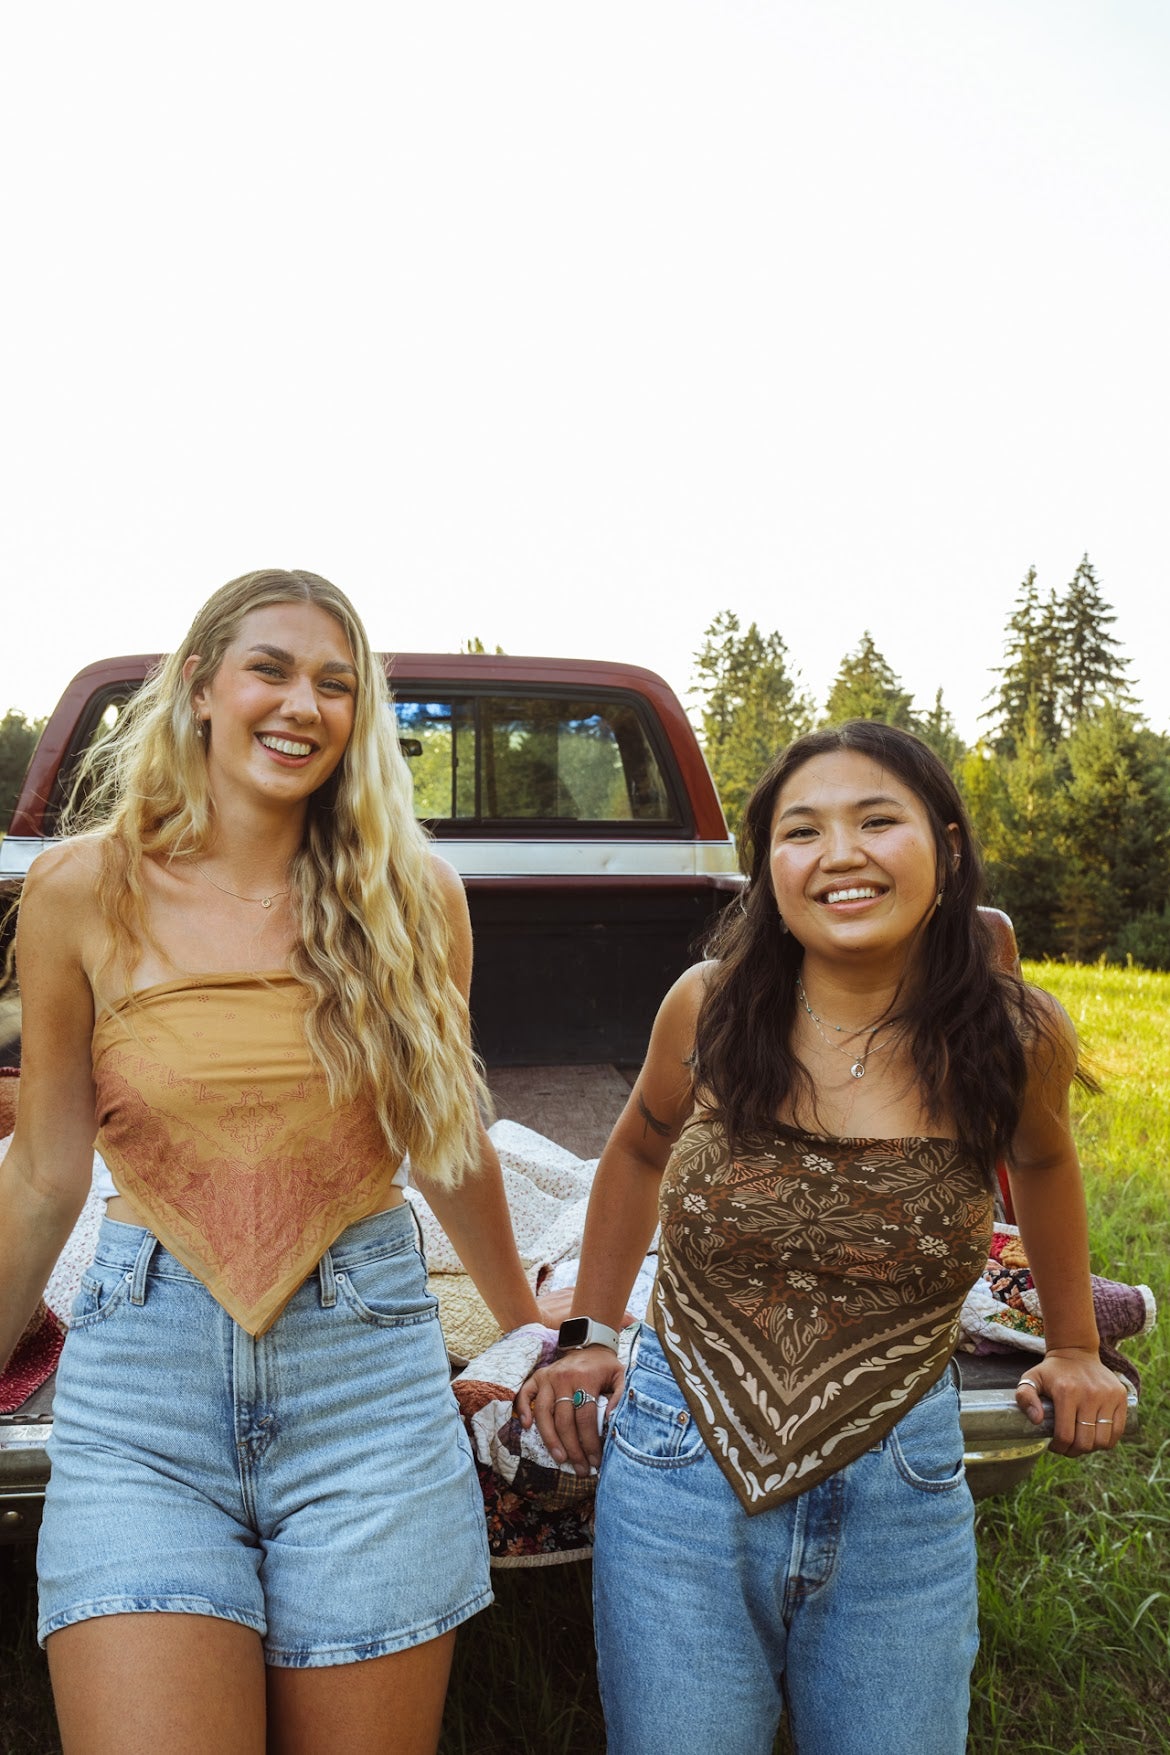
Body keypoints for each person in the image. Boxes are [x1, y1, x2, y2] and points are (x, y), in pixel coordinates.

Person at [0, 569, 545, 1755]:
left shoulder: (414, 896)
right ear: (200, 687)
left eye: (336, 684)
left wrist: (529, 1326)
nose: (304, 703)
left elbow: (446, 1147)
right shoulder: (78, 890)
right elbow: (46, 1170)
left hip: (369, 1388)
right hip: (142, 1395)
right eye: (272, 669)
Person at [517, 719, 1127, 1755]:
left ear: (944, 843)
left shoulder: (1014, 1031)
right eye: (803, 831)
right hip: (677, 1466)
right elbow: (633, 1156)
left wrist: (1073, 1344)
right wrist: (590, 1329)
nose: (839, 853)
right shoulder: (706, 1009)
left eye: (876, 820)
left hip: (906, 1475)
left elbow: (1047, 1166)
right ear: (769, 871)